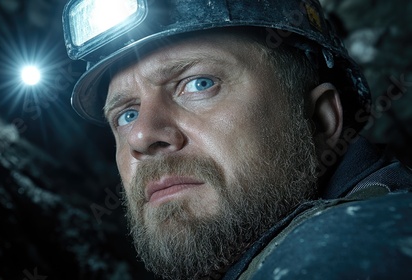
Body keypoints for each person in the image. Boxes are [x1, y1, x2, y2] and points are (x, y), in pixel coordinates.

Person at [62, 0, 412, 279]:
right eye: (126, 115)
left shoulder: (349, 250)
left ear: (319, 120)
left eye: (199, 84)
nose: (141, 135)